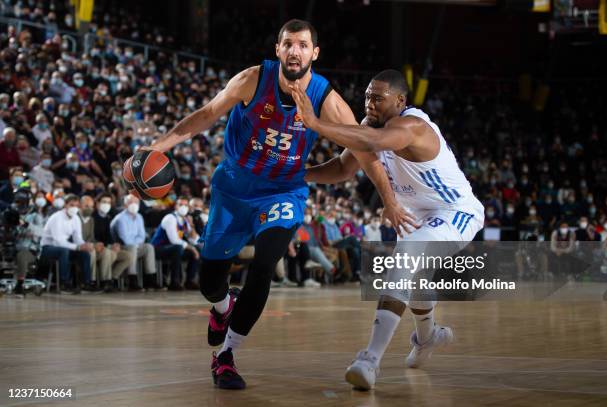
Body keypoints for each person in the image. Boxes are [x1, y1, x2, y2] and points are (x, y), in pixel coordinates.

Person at [144, 19, 409, 390]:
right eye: (288, 44)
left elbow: (364, 151)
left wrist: (390, 202)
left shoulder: (326, 99)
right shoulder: (252, 79)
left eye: (303, 44)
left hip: (284, 190)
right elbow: (206, 114)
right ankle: (222, 308)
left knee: (265, 263)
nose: (295, 50)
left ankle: (225, 357)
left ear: (314, 53)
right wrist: (158, 146)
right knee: (209, 281)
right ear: (278, 50)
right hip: (234, 188)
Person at [292, 69, 484, 390]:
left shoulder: (412, 126)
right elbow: (342, 167)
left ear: (400, 100)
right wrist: (296, 175)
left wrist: (316, 123)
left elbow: (373, 142)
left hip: (454, 212)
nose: (369, 103)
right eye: (367, 95)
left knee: (405, 261)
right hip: (412, 215)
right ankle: (427, 337)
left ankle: (369, 360)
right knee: (415, 278)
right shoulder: (369, 126)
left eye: (378, 98)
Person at [40, 194, 93, 293]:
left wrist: (84, 245)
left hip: (64, 247)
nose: (74, 208)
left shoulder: (76, 218)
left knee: (85, 253)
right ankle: (64, 283)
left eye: (76, 206)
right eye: (71, 205)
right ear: (65, 205)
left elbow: (78, 238)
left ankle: (86, 283)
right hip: (48, 247)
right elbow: (58, 241)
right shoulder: (57, 217)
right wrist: (77, 247)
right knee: (64, 251)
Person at [110, 195, 160, 291]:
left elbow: (142, 235)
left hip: (135, 246)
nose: (134, 204)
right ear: (125, 205)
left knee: (149, 247)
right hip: (122, 246)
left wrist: (137, 244)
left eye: (136, 202)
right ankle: (132, 280)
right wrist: (135, 245)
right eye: (130, 202)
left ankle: (150, 280)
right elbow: (124, 238)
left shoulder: (139, 217)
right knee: (132, 247)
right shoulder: (120, 218)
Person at [150, 196, 201, 290]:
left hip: (174, 249)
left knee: (198, 248)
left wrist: (192, 225)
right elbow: (174, 240)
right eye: (181, 204)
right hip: (158, 248)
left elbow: (195, 240)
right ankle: (174, 282)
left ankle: (190, 281)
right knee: (179, 248)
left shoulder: (185, 220)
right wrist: (192, 248)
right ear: (175, 206)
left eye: (186, 205)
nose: (183, 207)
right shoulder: (170, 218)